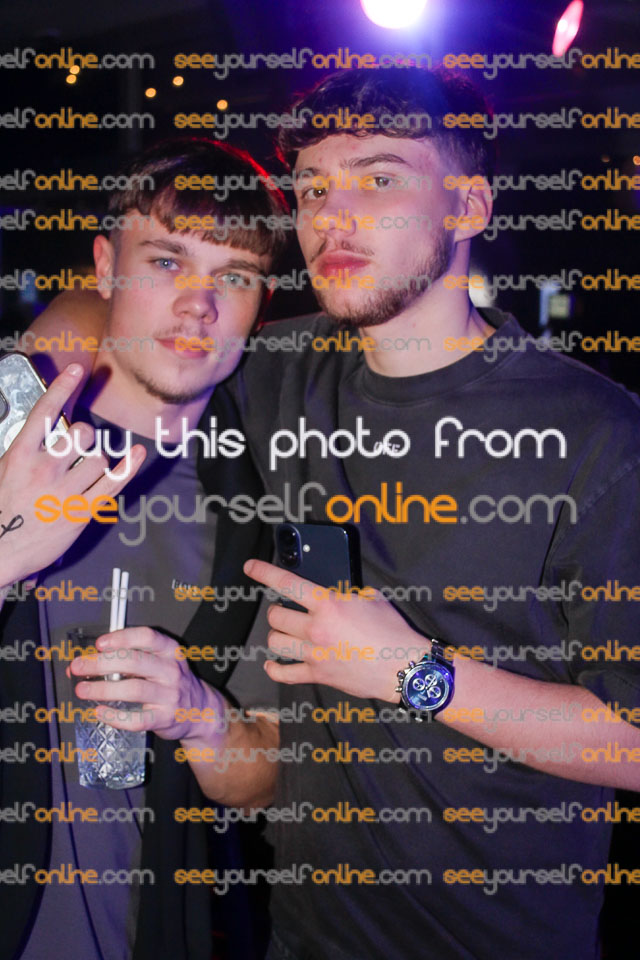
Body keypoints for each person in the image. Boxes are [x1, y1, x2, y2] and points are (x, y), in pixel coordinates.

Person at [26, 68, 640, 960]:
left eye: (378, 179)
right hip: (303, 935)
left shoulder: (597, 434)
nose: (332, 218)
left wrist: (415, 673)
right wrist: (37, 364)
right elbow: (133, 300)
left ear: (469, 205)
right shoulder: (280, 371)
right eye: (314, 188)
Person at [0, 137, 287, 960]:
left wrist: (200, 716)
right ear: (104, 267)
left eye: (235, 277)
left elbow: (266, 777)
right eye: (166, 262)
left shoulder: (255, 510)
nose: (199, 306)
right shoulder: (12, 433)